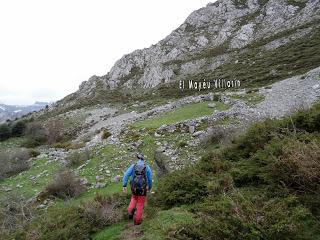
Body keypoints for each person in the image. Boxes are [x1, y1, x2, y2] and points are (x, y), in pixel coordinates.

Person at [122, 153, 152, 225]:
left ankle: (129, 213)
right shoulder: (147, 167)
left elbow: (126, 175)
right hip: (143, 189)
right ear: (143, 159)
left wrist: (124, 185)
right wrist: (149, 188)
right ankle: (137, 221)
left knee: (134, 199)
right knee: (140, 204)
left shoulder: (133, 166)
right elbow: (150, 179)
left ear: (138, 159)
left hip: (134, 188)